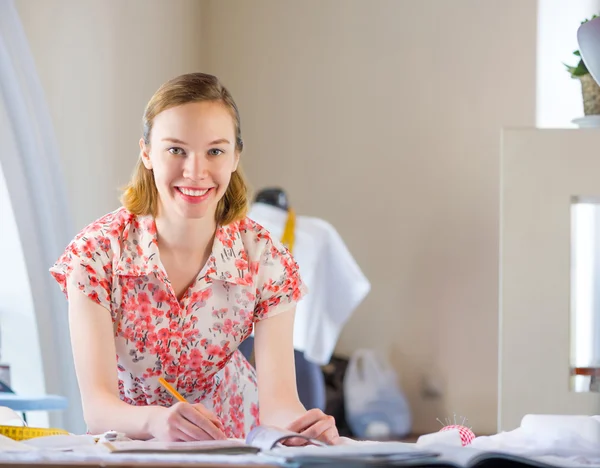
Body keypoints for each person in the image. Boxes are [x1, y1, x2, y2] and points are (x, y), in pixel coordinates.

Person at [49, 72, 340, 444]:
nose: (195, 171)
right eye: (176, 150)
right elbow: (97, 406)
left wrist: (304, 428)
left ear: (235, 157)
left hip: (238, 439)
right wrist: (158, 421)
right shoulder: (96, 254)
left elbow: (280, 404)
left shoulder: (266, 258)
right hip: (130, 441)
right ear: (146, 153)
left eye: (215, 151)